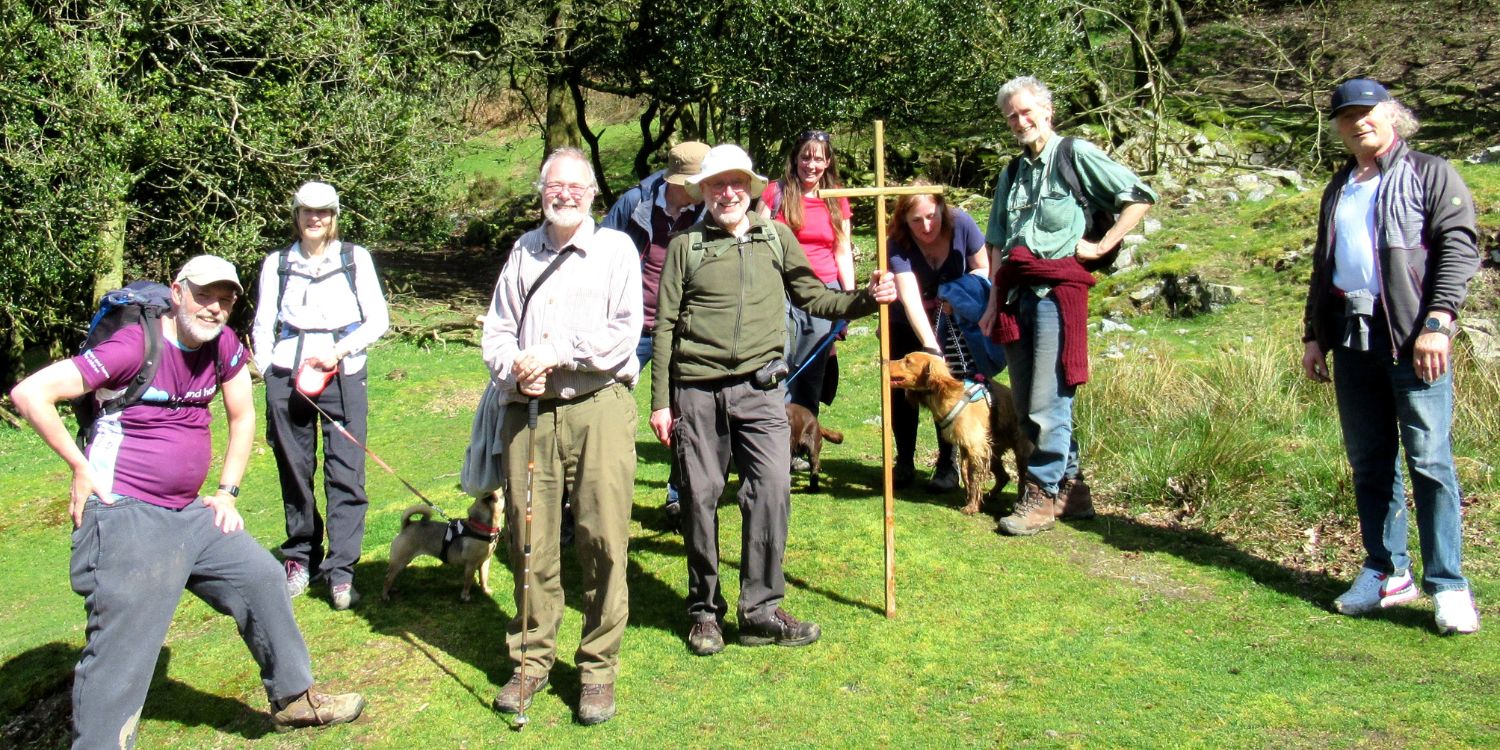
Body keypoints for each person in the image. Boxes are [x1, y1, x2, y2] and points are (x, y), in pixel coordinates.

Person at [9, 255, 365, 748]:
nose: (215, 308)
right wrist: (80, 466)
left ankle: (294, 699)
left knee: (261, 578)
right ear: (177, 293)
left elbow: (242, 416)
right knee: (126, 643)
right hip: (126, 512)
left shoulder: (224, 344)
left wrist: (227, 491)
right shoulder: (134, 345)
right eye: (204, 295)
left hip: (191, 512)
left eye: (226, 299)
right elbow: (31, 393)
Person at [650, 144, 896, 656]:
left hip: (763, 392)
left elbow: (813, 296)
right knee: (699, 497)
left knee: (772, 491)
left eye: (737, 182)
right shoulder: (685, 246)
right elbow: (666, 327)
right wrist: (661, 402)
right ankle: (704, 612)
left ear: (752, 187)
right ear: (705, 191)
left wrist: (866, 300)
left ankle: (760, 610)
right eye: (718, 184)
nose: (728, 192)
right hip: (696, 392)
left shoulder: (775, 237)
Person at [1301, 78, 1481, 634]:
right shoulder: (1339, 186)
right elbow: (1324, 265)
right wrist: (1314, 334)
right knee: (1370, 462)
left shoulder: (1430, 172)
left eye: (1368, 113)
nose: (1358, 124)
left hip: (1412, 338)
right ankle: (1385, 571)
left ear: (1392, 115)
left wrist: (1438, 322)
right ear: (1337, 128)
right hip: (1354, 340)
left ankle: (1448, 585)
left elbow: (1458, 245)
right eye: (1346, 117)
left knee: (1429, 461)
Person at [482, 147, 642, 724]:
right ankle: (530, 660)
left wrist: (558, 352)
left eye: (576, 186)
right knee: (529, 540)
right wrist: (513, 367)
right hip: (528, 414)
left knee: (602, 537)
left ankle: (598, 669)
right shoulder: (523, 251)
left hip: (598, 406)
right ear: (541, 191)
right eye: (556, 185)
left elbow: (624, 333)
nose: (565, 194)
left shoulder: (615, 249)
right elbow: (497, 329)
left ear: (593, 193)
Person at [981, 75, 1157, 536]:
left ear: (1046, 110)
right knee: (1028, 402)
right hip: (1015, 297)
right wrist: (993, 300)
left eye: (1026, 111)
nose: (1020, 122)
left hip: (1057, 298)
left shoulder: (1074, 154)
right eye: (1012, 116)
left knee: (1046, 401)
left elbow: (1138, 196)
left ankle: (1039, 496)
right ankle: (1073, 492)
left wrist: (1101, 247)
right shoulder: (1012, 172)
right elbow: (997, 241)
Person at [252, 181, 390, 610]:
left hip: (343, 372)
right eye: (308, 212)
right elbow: (262, 322)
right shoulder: (277, 263)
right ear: (295, 215)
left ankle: (341, 570)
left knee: (346, 471)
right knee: (294, 468)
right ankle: (299, 557)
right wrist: (267, 367)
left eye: (325, 212)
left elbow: (378, 320)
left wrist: (338, 350)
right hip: (287, 374)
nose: (316, 219)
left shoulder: (355, 258)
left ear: (335, 216)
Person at [602, 140, 710, 524]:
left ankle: (678, 497)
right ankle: (591, 495)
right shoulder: (635, 205)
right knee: (605, 407)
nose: (700, 189)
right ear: (672, 179)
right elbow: (598, 252)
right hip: (632, 327)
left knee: (686, 413)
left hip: (685, 330)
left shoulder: (708, 210)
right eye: (693, 182)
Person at [887, 181, 991, 491]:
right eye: (916, 220)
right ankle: (904, 460)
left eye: (931, 216)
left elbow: (983, 268)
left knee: (945, 387)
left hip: (953, 316)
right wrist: (931, 346)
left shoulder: (962, 224)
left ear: (942, 209)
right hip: (905, 319)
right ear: (905, 220)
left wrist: (957, 295)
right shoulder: (897, 242)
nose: (926, 226)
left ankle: (947, 465)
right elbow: (909, 297)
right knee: (902, 388)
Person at [759, 129, 855, 434]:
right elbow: (755, 242)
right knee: (779, 364)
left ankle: (803, 440)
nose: (810, 165)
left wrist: (848, 302)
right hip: (780, 292)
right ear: (795, 158)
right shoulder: (774, 193)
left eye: (818, 158)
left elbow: (842, 250)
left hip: (824, 293)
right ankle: (775, 439)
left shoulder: (836, 198)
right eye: (805, 157)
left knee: (812, 372)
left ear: (828, 162)